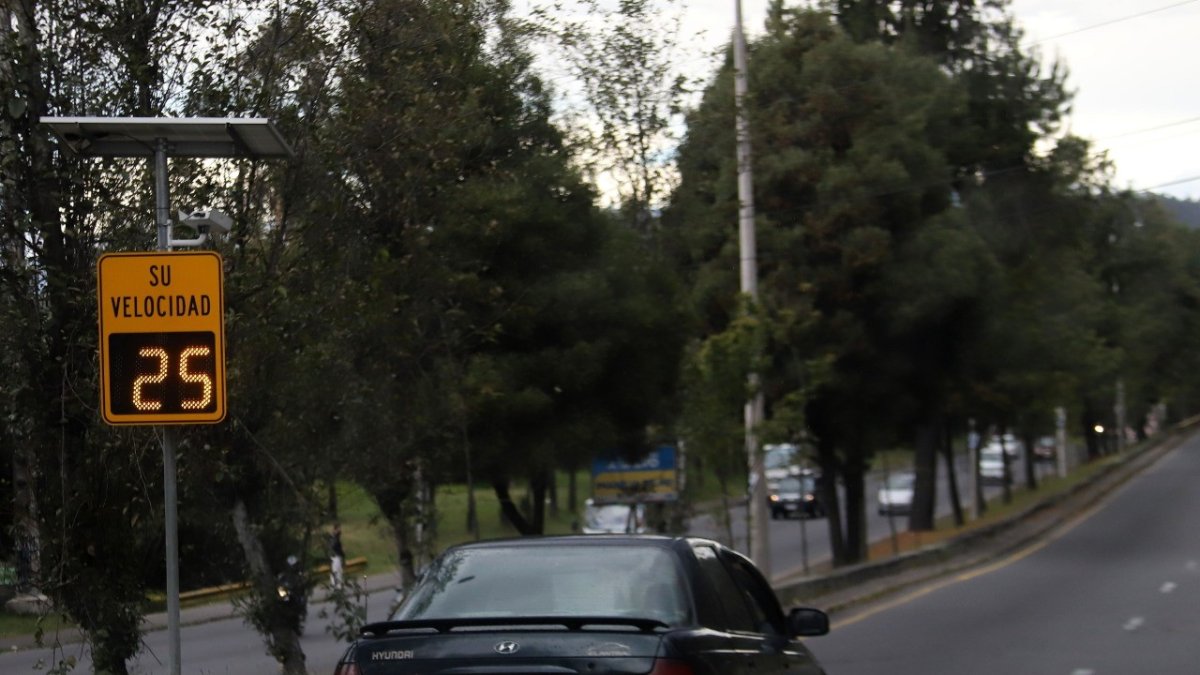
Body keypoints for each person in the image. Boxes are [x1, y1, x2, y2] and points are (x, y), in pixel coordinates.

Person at [329, 523, 345, 589]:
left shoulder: (335, 537)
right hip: (335, 556)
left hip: (336, 556)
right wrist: (341, 550)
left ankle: (337, 586)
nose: (340, 530)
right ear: (335, 529)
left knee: (338, 571)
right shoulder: (334, 537)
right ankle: (336, 587)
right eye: (339, 528)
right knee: (336, 571)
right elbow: (334, 546)